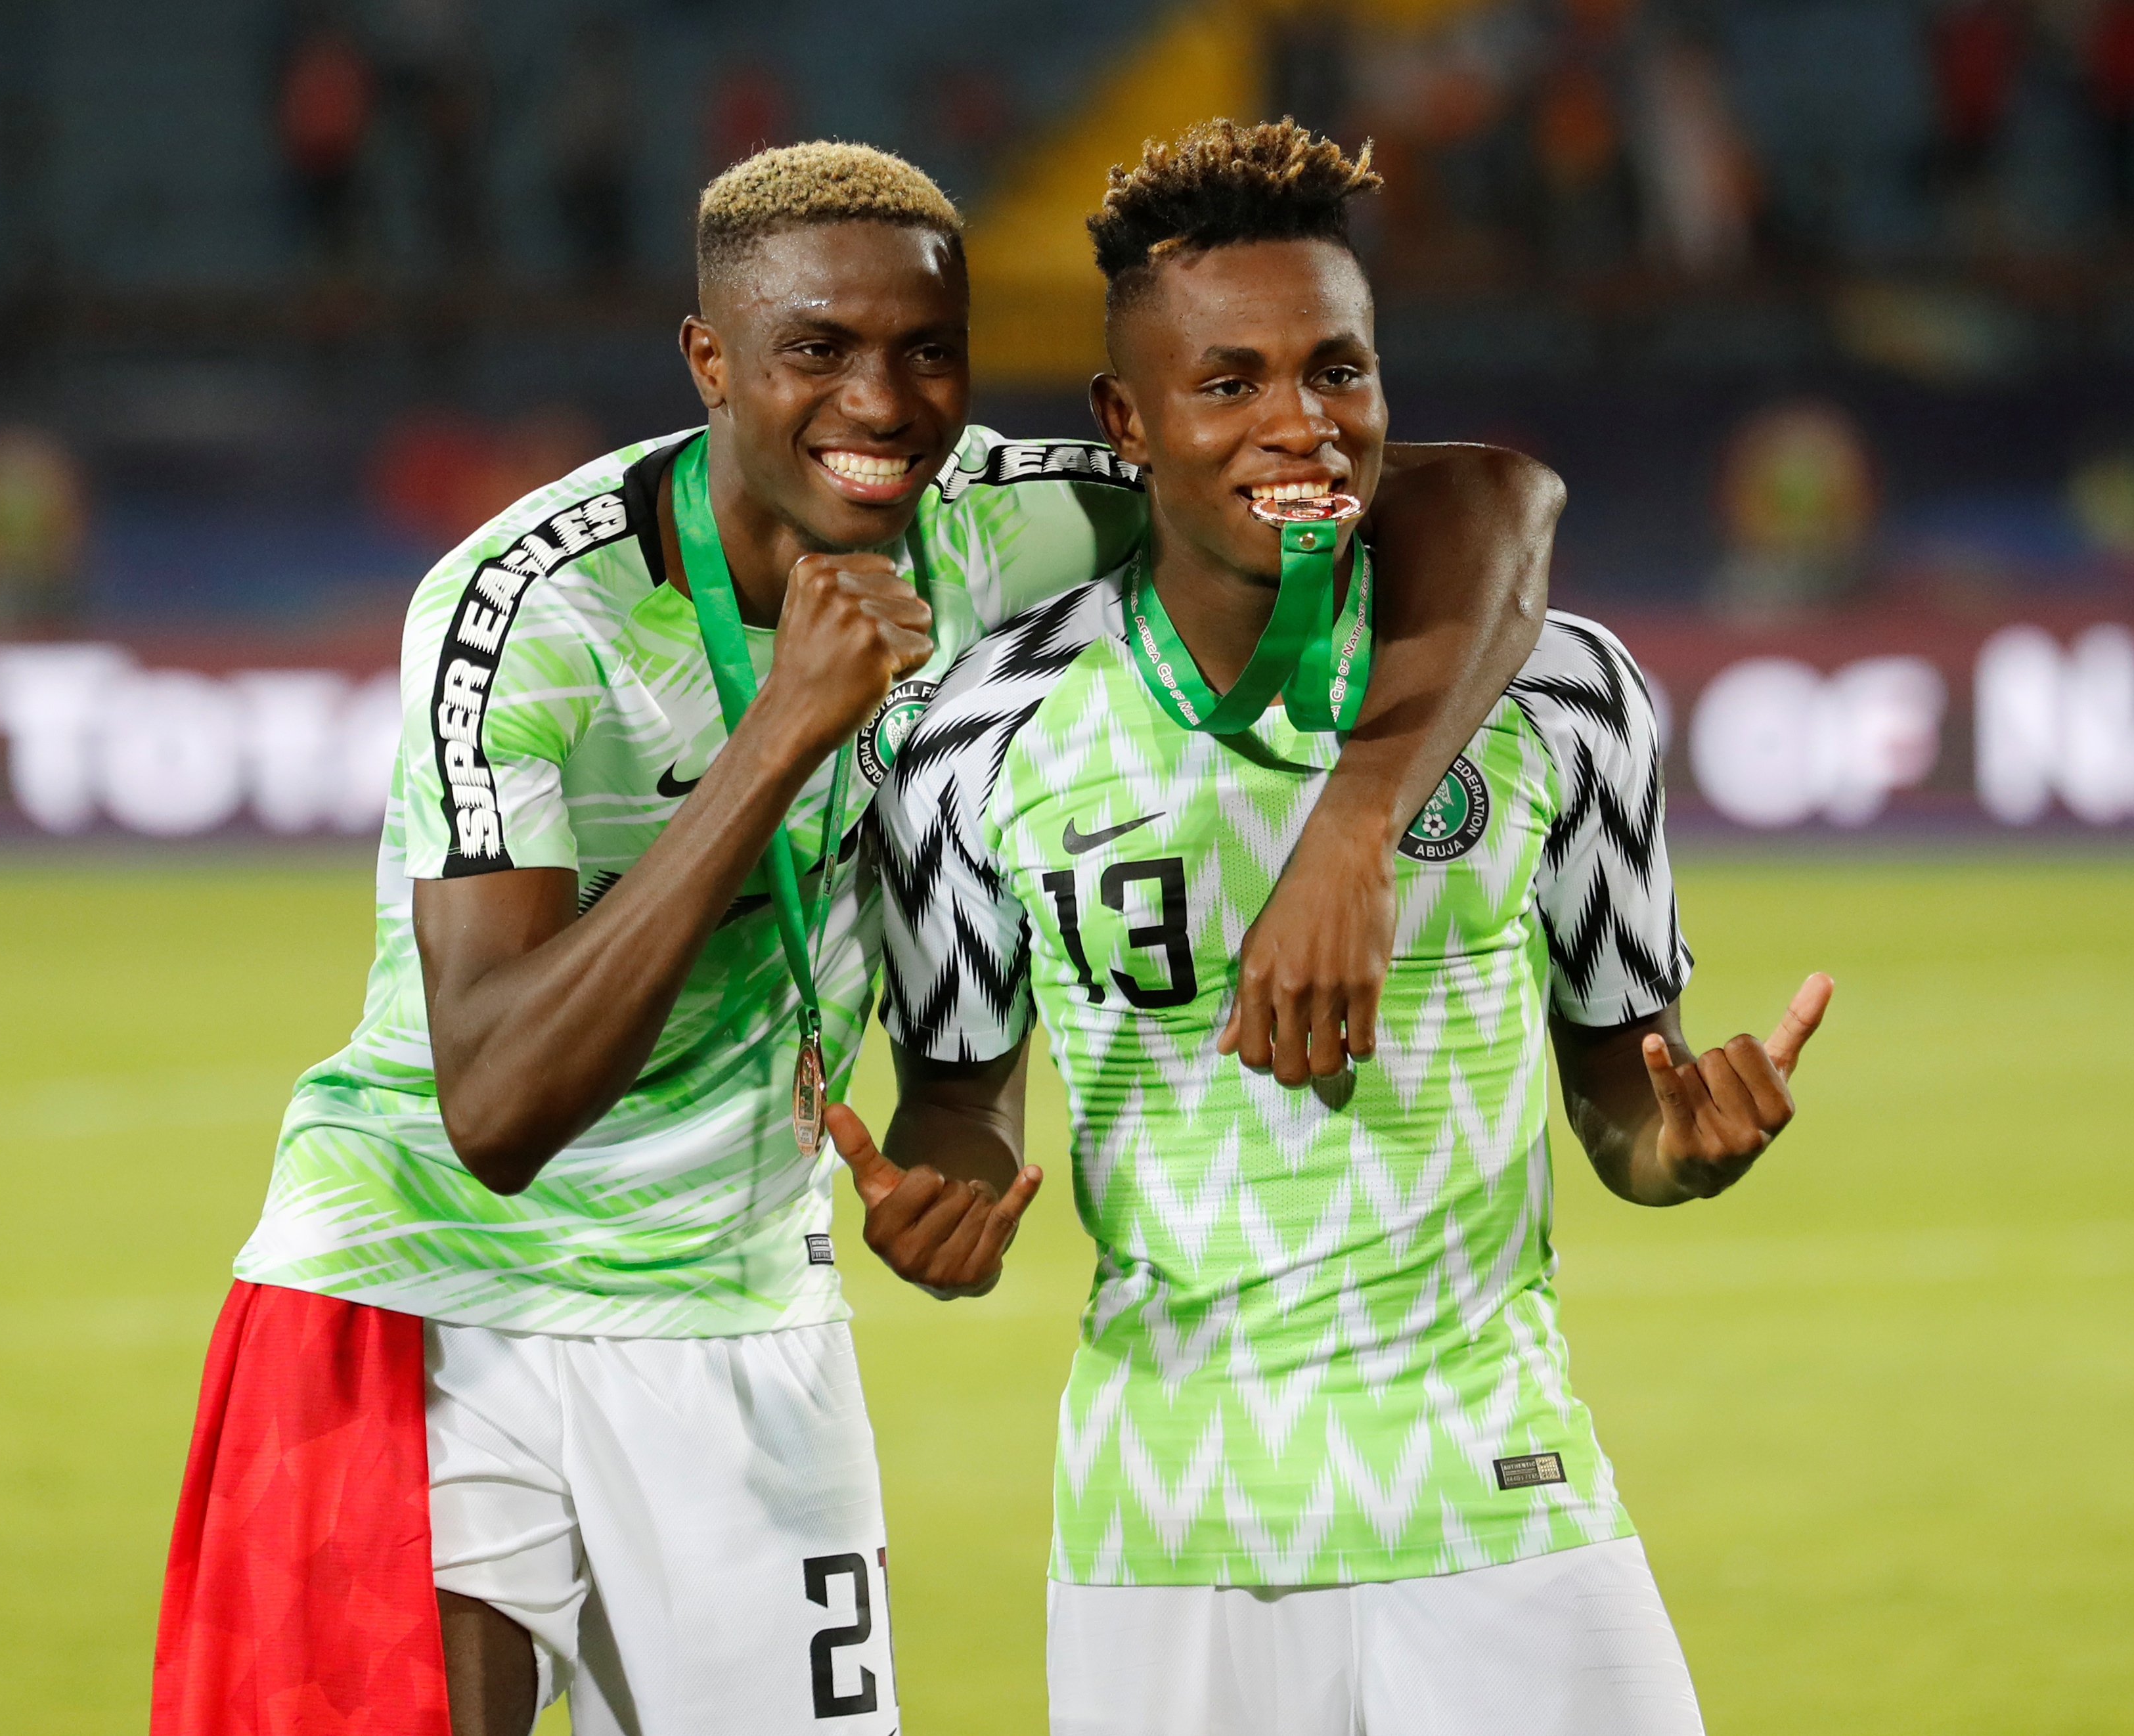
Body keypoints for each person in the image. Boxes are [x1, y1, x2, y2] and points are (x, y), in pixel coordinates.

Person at [150, 141, 1562, 1736]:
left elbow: (1484, 494)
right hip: (426, 1306)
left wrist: (1360, 819)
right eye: (815, 350)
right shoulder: (528, 608)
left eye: (926, 352)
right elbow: (494, 1106)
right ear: (711, 360)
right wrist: (781, 732)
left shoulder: (998, 527)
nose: (880, 405)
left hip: (747, 1316)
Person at [856, 119, 1834, 1735]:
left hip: (1499, 1484)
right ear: (1127, 419)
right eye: (1227, 382)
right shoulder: (972, 736)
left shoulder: (1566, 695)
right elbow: (960, 1103)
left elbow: (1616, 1092)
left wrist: (1679, 1143)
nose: (1297, 423)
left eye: (1337, 369)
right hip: (1167, 1517)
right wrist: (937, 1209)